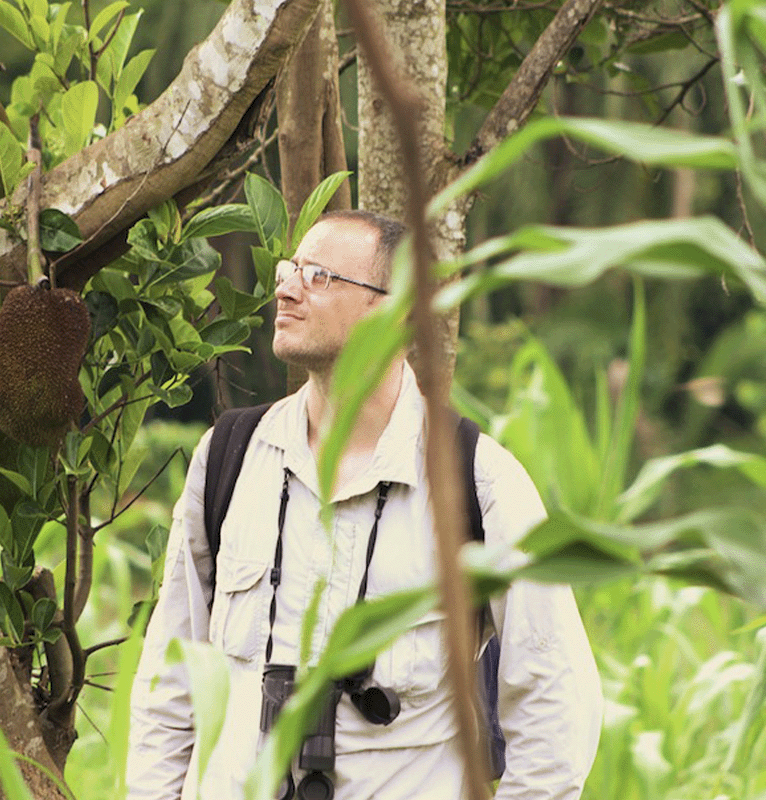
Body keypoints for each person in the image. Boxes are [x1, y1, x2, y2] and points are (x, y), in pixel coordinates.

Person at [126, 210, 602, 800]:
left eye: (319, 276)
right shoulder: (230, 457)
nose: (287, 287)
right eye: (289, 269)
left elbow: (555, 712)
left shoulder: (477, 481)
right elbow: (168, 685)